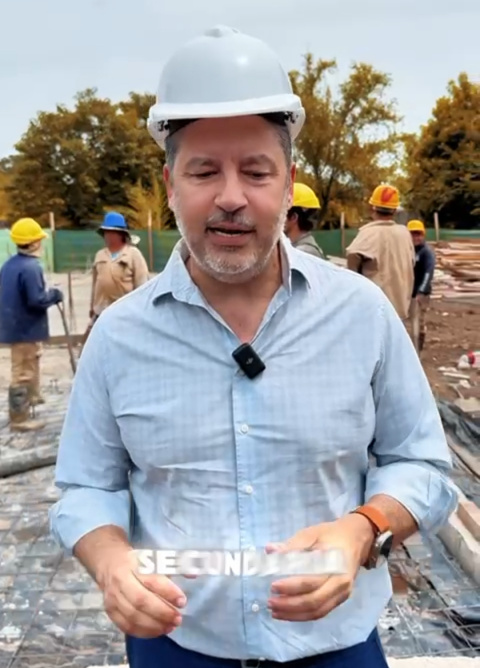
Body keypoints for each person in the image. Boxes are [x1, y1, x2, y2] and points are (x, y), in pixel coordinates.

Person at [49, 26, 457, 668]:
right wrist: (110, 562)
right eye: (204, 171)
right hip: (177, 645)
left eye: (257, 171)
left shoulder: (361, 315)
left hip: (335, 645)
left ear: (287, 179)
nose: (232, 196)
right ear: (170, 183)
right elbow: (84, 487)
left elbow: (424, 466)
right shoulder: (120, 337)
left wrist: (363, 529)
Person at [0, 217, 63, 431]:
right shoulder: (30, 267)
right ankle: (20, 418)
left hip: (16, 327)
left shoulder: (10, 264)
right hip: (24, 329)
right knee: (23, 372)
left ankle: (32, 397)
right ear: (34, 242)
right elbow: (36, 300)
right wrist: (54, 295)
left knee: (30, 363)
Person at [346, 185, 415, 321]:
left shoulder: (367, 234)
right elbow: (411, 263)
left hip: (375, 311)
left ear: (372, 208)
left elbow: (352, 260)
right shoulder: (404, 234)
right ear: (395, 210)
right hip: (400, 308)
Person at [84, 211, 150, 341]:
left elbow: (143, 285)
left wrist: (142, 312)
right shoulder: (100, 255)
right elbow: (96, 284)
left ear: (121, 235)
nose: (107, 236)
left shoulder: (133, 255)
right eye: (106, 232)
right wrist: (92, 306)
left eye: (111, 232)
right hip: (101, 311)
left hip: (125, 313)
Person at [407, 219, 436, 353]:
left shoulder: (426, 252)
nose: (416, 237)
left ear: (423, 235)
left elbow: (428, 273)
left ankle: (417, 350)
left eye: (418, 234)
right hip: (406, 292)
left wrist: (421, 291)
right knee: (406, 322)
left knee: (418, 322)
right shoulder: (406, 250)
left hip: (420, 293)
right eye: (413, 234)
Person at [284, 182, 326, 259]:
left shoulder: (302, 253)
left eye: (282, 212)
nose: (277, 217)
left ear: (293, 217)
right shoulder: (299, 248)